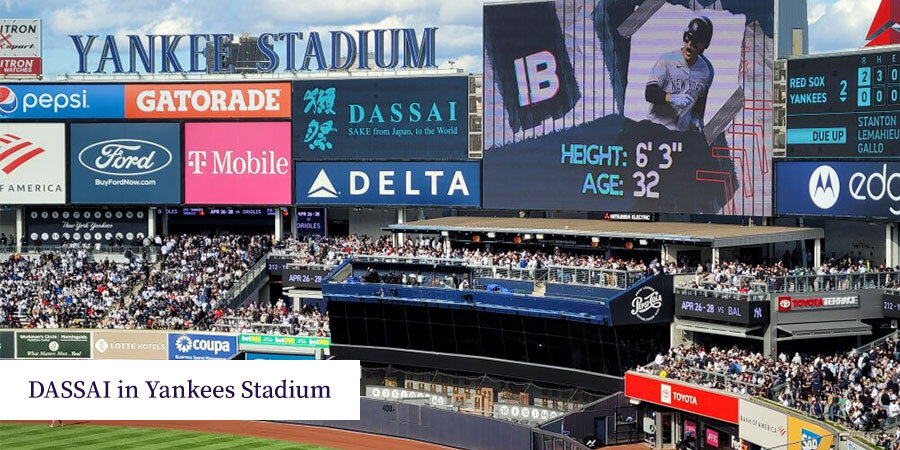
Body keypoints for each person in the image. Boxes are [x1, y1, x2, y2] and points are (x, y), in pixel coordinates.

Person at [644, 16, 714, 132]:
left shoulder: (705, 70)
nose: (689, 45)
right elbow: (649, 92)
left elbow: (700, 99)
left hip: (681, 136)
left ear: (704, 44)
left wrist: (696, 120)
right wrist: (671, 97)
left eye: (695, 41)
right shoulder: (667, 59)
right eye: (688, 39)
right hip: (656, 129)